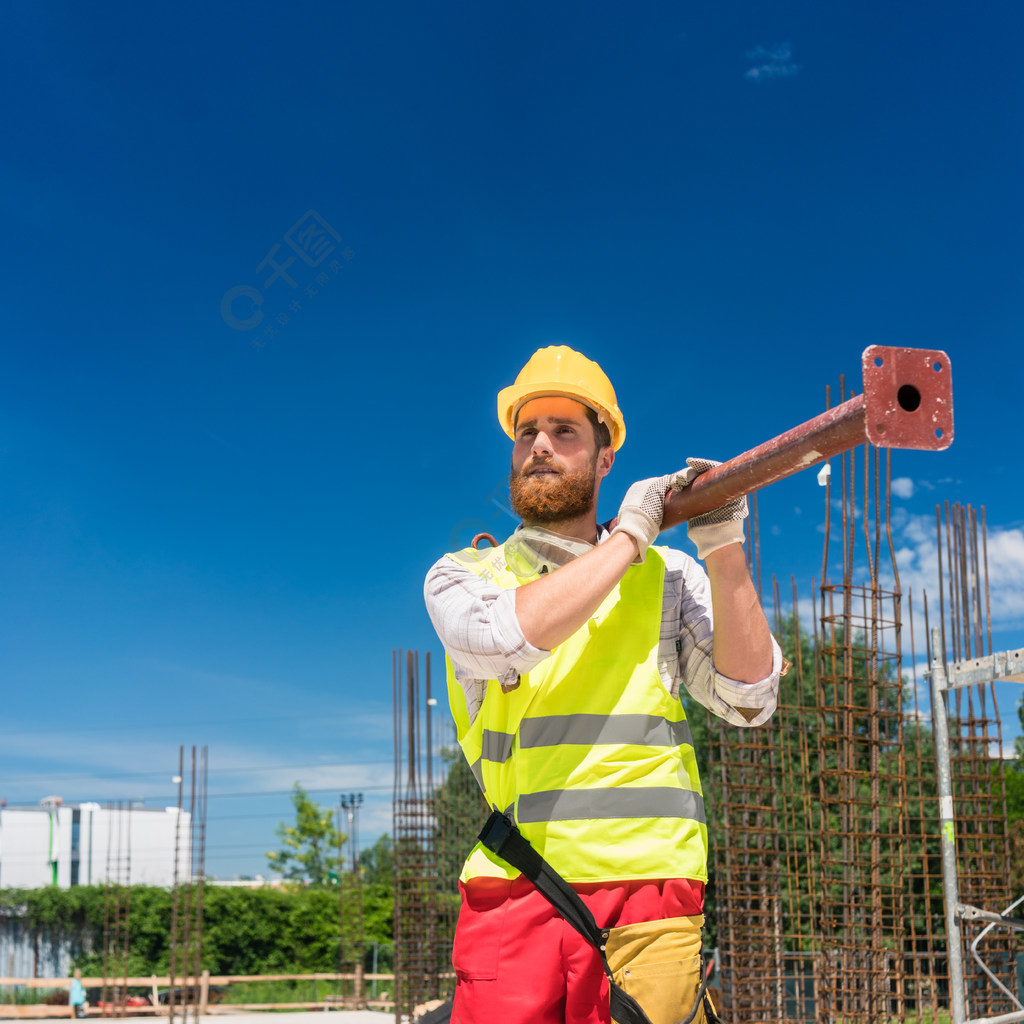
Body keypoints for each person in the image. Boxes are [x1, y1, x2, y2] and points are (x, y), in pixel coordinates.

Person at [424, 346, 782, 1024]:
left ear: (604, 456)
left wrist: (723, 546)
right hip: (521, 888)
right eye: (527, 431)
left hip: (653, 893)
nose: (539, 446)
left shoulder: (669, 576)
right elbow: (508, 637)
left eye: (564, 431)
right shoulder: (466, 576)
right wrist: (631, 536)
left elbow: (749, 699)